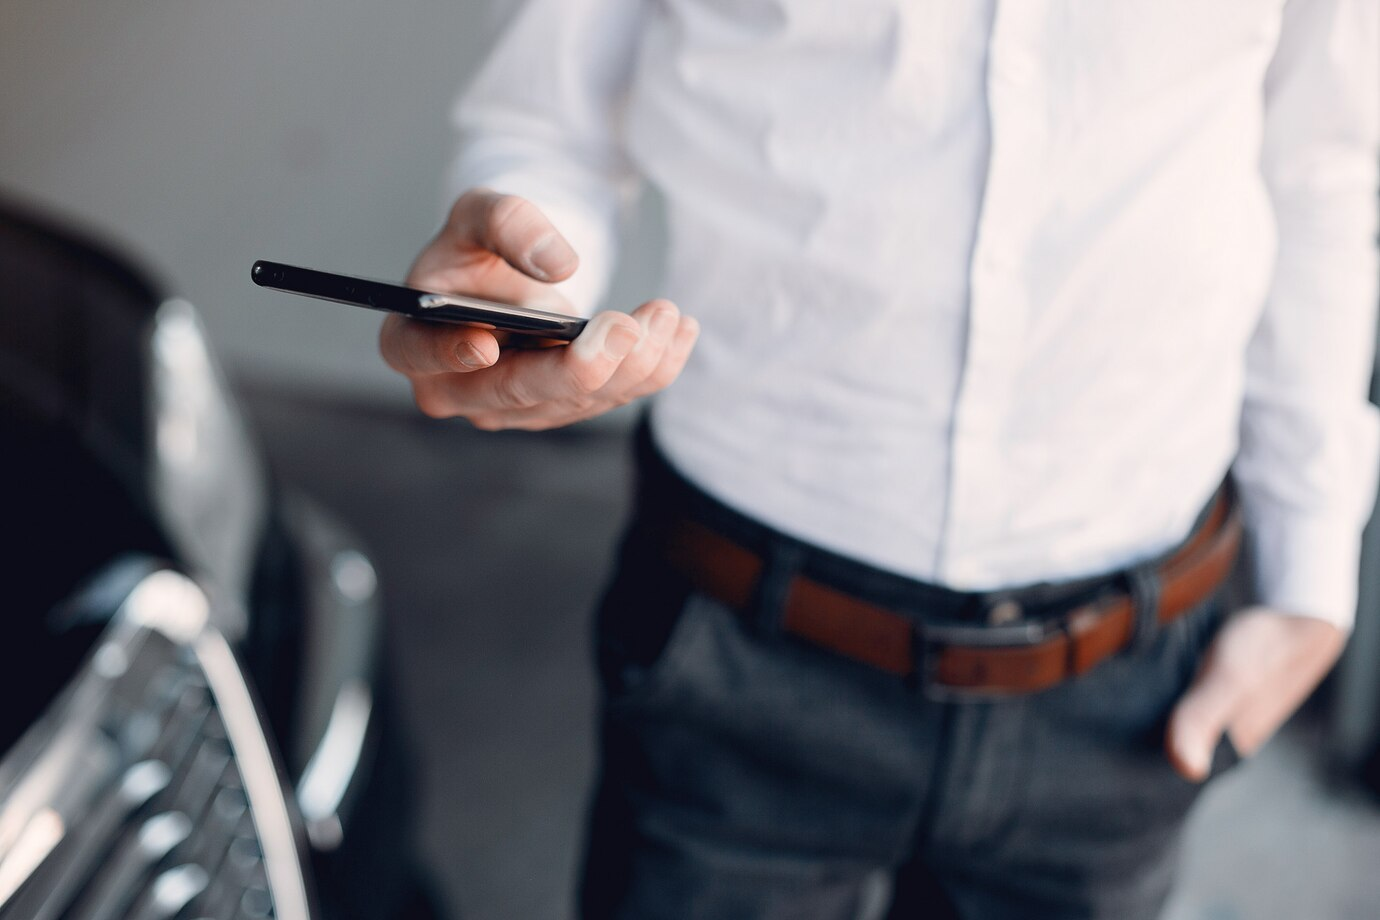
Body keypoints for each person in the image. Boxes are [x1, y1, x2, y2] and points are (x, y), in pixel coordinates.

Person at [379, 1, 1379, 917]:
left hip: (1131, 675)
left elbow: (1321, 164)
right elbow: (553, 125)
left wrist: (1312, 567)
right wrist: (522, 294)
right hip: (734, 647)